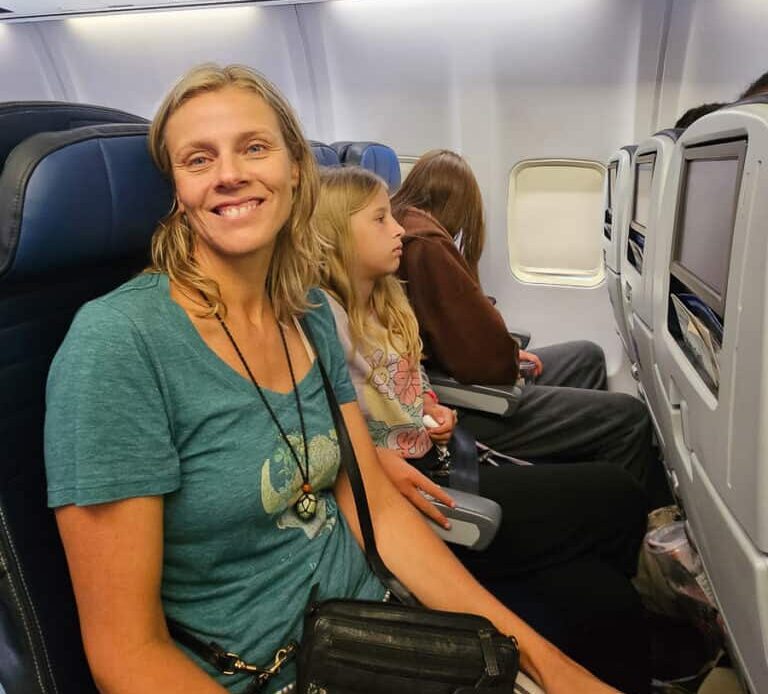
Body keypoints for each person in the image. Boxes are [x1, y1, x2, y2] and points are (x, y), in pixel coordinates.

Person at [43, 64, 620, 694]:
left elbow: (378, 511)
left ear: (296, 168)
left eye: (254, 148)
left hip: (371, 631)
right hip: (266, 673)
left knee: (596, 604)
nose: (230, 173)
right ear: (177, 189)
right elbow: (127, 655)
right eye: (198, 159)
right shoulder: (117, 346)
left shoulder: (309, 312)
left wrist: (544, 664)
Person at [315, 164, 652, 693]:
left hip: (441, 455)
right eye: (381, 219)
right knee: (617, 501)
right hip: (417, 491)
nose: (400, 227)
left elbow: (413, 375)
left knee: (607, 576)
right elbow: (337, 430)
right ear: (335, 236)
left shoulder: (385, 295)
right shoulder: (324, 318)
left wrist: (432, 405)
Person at [392, 149, 671, 508]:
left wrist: (506, 350)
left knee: (587, 356)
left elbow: (461, 332)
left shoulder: (411, 230)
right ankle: (621, 515)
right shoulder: (426, 246)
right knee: (629, 418)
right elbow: (481, 358)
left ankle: (569, 474)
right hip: (467, 402)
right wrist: (506, 356)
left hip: (458, 378)